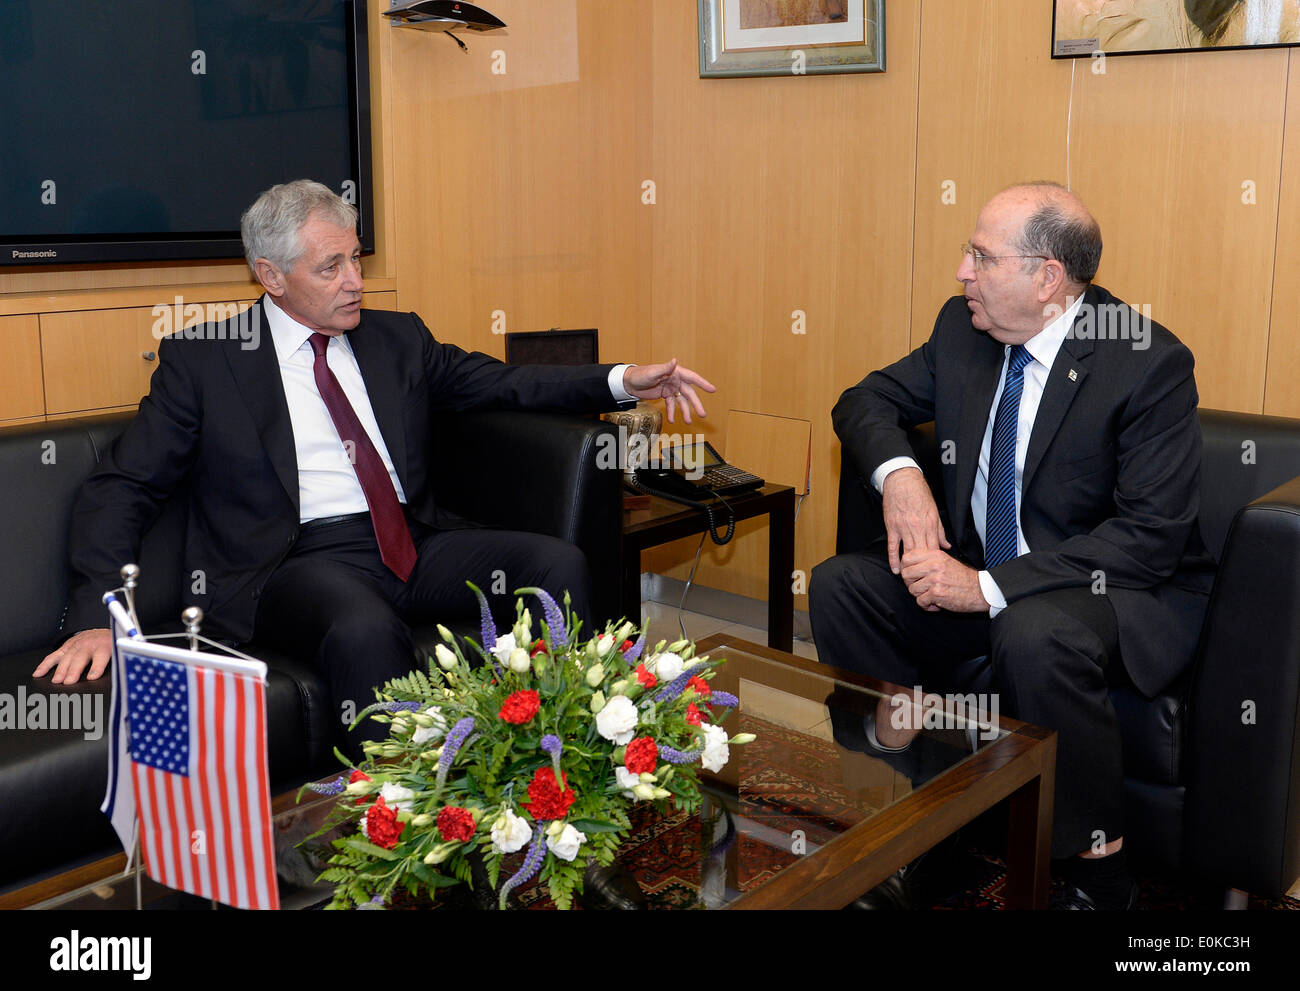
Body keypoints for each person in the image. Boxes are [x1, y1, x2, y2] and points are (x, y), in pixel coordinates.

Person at [35, 179, 715, 754]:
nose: (356, 282)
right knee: (363, 627)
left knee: (556, 565)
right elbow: (124, 484)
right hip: (293, 565)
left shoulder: (396, 338)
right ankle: (400, 821)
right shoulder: (206, 361)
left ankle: (572, 756)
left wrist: (626, 380)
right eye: (331, 267)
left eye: (356, 260)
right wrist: (101, 609)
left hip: (408, 543)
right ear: (270, 276)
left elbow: (504, 383)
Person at [810, 182, 1214, 909]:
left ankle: (1099, 872)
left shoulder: (1146, 362)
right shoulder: (964, 328)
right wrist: (902, 475)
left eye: (980, 256)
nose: (962, 271)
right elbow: (862, 400)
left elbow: (1149, 539)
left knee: (1034, 632)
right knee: (840, 584)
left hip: (1114, 590)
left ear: (1047, 277)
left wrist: (987, 588)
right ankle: (919, 817)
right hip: (985, 568)